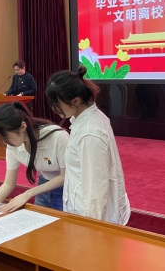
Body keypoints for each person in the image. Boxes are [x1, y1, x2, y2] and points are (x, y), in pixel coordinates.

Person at [44, 67, 131, 225]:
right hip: (83, 213)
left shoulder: (88, 133)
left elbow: (95, 189)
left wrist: (91, 228)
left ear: (76, 101)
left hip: (92, 219)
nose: (54, 109)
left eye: (57, 104)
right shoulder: (86, 120)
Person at [0, 102, 68, 218]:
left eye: (6, 137)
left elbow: (65, 176)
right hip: (43, 184)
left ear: (22, 126)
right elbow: (9, 183)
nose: (4, 142)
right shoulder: (12, 146)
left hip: (66, 187)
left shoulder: (58, 137)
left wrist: (28, 193)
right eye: (1, 138)